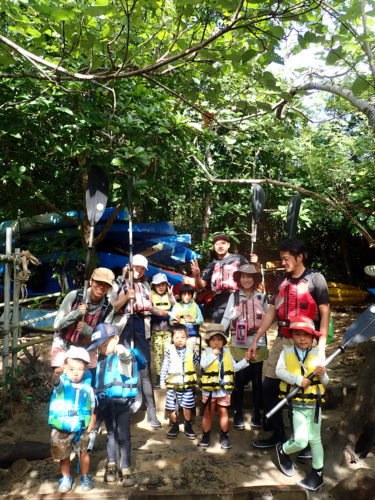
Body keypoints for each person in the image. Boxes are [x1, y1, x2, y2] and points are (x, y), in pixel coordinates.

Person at [248, 239, 330, 451]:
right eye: (282, 258)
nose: (283, 262)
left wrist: (320, 347)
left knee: (304, 388)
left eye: (286, 258)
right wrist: (256, 339)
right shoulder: (281, 281)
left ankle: (305, 441)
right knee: (269, 385)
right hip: (284, 340)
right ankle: (278, 433)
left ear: (299, 257)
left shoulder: (315, 279)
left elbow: (324, 313)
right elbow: (272, 311)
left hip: (307, 341)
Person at [88, 323, 146, 487]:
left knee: (123, 436)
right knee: (111, 435)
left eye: (105, 344)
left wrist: (123, 350)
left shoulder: (124, 357)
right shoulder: (102, 361)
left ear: (116, 338)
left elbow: (128, 359)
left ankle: (126, 469)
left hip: (122, 403)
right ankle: (112, 464)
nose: (103, 349)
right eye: (100, 347)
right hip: (106, 402)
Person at [275, 315, 328, 491]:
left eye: (306, 335)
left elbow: (326, 382)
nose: (302, 338)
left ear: (312, 337)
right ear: (292, 336)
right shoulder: (286, 352)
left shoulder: (317, 354)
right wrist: (298, 379)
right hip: (297, 405)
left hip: (314, 405)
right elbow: (279, 371)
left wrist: (321, 374)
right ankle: (283, 449)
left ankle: (318, 474)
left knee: (315, 440)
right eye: (298, 334)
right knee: (300, 441)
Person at [112, 254, 161, 429]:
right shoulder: (117, 284)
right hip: (124, 326)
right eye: (136, 268)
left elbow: (149, 306)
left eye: (142, 269)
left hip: (140, 325)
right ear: (129, 267)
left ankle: (152, 412)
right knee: (123, 367)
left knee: (144, 368)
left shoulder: (145, 285)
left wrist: (165, 312)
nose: (138, 271)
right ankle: (122, 410)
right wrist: (126, 297)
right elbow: (111, 308)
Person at [221, 264, 268, 430]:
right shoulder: (234, 297)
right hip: (238, 344)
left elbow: (268, 319)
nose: (246, 279)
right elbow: (227, 317)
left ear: (255, 279)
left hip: (258, 343)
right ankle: (238, 412)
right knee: (239, 380)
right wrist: (218, 335)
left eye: (250, 276)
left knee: (257, 381)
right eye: (243, 276)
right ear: (239, 279)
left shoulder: (262, 297)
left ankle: (257, 413)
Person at [51, 267, 115, 378]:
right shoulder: (74, 296)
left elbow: (104, 339)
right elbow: (57, 325)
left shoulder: (108, 309)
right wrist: (76, 314)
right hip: (63, 344)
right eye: (98, 282)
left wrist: (88, 330)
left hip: (87, 349)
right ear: (91, 281)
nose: (101, 286)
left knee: (88, 382)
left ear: (109, 287)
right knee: (60, 379)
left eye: (106, 284)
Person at [48, 346, 96, 493]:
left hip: (82, 425)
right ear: (65, 368)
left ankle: (85, 476)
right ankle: (66, 477)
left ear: (86, 370)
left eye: (80, 369)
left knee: (84, 452)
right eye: (71, 369)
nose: (76, 373)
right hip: (62, 426)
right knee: (64, 454)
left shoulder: (87, 388)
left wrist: (92, 422)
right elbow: (56, 382)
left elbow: (92, 406)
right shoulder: (62, 385)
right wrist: (57, 374)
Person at [198, 323, 251, 449]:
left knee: (224, 412)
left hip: (224, 390)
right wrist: (213, 355)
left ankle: (224, 435)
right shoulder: (206, 353)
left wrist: (246, 360)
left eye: (219, 339)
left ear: (224, 341)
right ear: (208, 341)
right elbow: (203, 365)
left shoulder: (228, 353)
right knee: (208, 413)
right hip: (209, 390)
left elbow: (234, 368)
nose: (216, 342)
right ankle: (205, 436)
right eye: (213, 339)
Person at [191, 233, 248, 323]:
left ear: (228, 245)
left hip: (239, 298)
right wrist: (197, 276)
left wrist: (255, 264)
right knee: (217, 331)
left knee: (240, 331)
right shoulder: (211, 265)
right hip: (220, 301)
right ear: (214, 247)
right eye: (217, 244)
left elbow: (252, 276)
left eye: (223, 243)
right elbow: (200, 287)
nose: (220, 246)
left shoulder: (239, 259)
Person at [160, 324, 200, 439]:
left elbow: (198, 363)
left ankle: (188, 425)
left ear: (186, 337)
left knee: (187, 406)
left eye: (182, 337)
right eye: (177, 337)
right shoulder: (169, 351)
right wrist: (162, 381)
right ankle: (175, 425)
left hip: (187, 384)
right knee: (172, 407)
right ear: (172, 338)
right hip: (173, 385)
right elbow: (165, 366)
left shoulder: (191, 350)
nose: (180, 340)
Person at [150, 272, 175, 387]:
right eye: (158, 284)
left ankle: (166, 375)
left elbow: (175, 308)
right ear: (153, 286)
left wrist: (171, 296)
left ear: (166, 285)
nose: (160, 287)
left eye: (163, 284)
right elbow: (150, 310)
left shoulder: (169, 296)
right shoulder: (150, 296)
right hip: (155, 329)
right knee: (157, 354)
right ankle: (158, 376)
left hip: (167, 329)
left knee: (167, 352)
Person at [169, 284, 203, 351]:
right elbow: (170, 321)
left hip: (192, 334)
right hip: (179, 335)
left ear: (192, 295)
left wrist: (194, 320)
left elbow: (201, 320)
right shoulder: (176, 306)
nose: (186, 297)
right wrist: (174, 321)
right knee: (179, 352)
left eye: (189, 294)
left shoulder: (195, 306)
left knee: (190, 353)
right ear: (180, 295)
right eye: (184, 294)